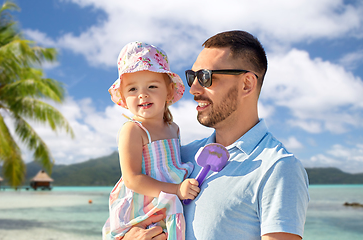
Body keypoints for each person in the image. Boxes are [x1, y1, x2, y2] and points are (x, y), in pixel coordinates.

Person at [121, 31, 310, 240]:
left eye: (205, 77)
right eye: (192, 77)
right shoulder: (179, 157)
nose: (193, 89)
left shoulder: (278, 168)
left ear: (247, 84)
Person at [102, 41, 200, 240]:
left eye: (152, 86)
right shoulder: (133, 130)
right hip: (141, 208)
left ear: (169, 91)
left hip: (167, 202)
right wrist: (176, 190)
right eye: (132, 89)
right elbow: (132, 179)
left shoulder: (174, 129)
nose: (142, 94)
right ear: (123, 96)